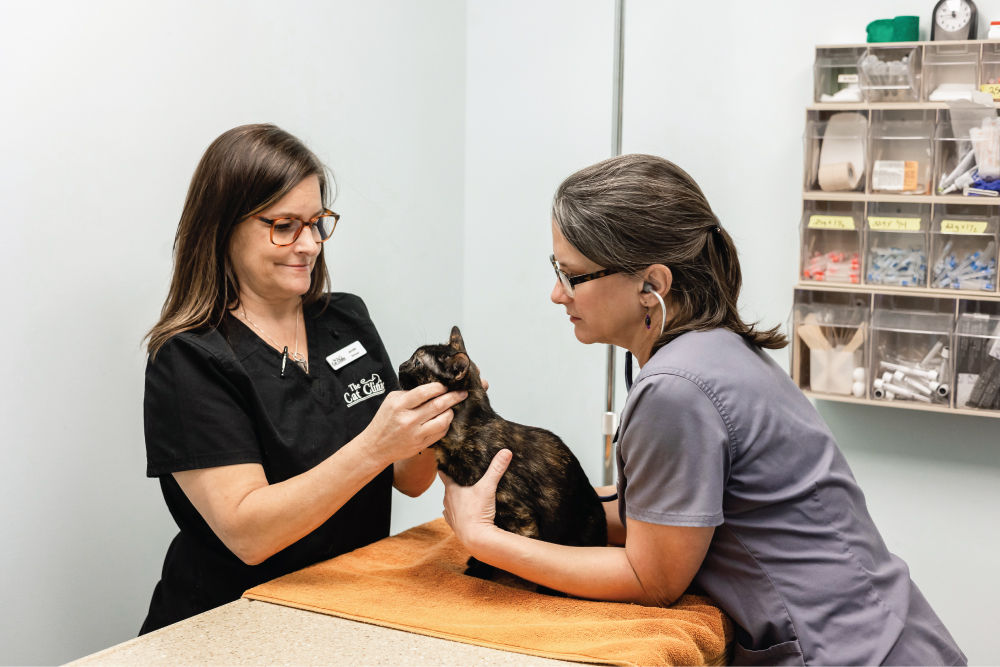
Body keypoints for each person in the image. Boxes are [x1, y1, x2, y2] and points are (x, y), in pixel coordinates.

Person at [439, 154, 966, 666]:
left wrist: (482, 538)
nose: (558, 294)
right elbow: (666, 517)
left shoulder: (676, 387)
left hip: (843, 652)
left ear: (652, 285)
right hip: (891, 634)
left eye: (573, 276)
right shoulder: (714, 349)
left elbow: (652, 580)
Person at [140, 124, 466, 634]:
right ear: (224, 228)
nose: (309, 245)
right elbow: (249, 535)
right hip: (232, 622)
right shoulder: (189, 359)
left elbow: (408, 479)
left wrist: (434, 418)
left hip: (344, 605)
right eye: (285, 225)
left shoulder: (345, 320)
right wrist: (375, 447)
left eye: (317, 223)